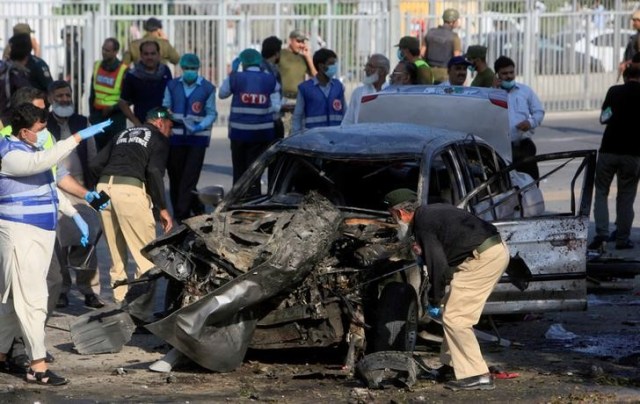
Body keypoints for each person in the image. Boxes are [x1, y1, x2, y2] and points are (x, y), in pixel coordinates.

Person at [0, 103, 109, 386]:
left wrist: (76, 216)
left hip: (41, 233)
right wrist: (76, 138)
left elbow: (50, 187)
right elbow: (42, 164)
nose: (44, 132)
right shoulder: (9, 154)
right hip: (21, 235)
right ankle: (37, 366)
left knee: (14, 302)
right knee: (33, 301)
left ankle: (0, 355)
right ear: (24, 132)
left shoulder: (31, 149)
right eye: (40, 129)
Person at [384, 189, 509, 391]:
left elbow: (438, 266)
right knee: (452, 309)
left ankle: (478, 374)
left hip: (484, 259)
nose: (394, 219)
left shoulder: (423, 224)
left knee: (456, 318)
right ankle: (452, 365)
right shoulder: (430, 212)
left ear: (400, 214)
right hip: (488, 252)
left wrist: (434, 298)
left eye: (392, 215)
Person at [89, 107, 174, 303]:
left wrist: (101, 193)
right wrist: (162, 208)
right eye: (170, 126)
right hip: (130, 190)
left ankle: (120, 303)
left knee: (116, 257)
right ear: (160, 123)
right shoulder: (159, 138)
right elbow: (153, 171)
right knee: (145, 256)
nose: (171, 131)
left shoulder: (123, 133)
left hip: (104, 188)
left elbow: (95, 164)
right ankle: (139, 311)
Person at [46, 80, 104, 309]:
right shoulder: (44, 124)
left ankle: (90, 289)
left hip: (81, 189)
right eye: (59, 96)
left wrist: (95, 188)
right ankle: (61, 290)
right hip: (55, 191)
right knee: (59, 245)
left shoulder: (82, 122)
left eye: (67, 95)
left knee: (87, 241)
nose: (64, 99)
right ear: (51, 98)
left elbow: (93, 156)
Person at [588, 66, 640, 251]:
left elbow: (604, 117)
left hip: (609, 150)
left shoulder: (614, 91)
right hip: (633, 154)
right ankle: (622, 239)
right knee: (626, 196)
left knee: (601, 192)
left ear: (625, 77)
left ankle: (601, 234)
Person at [162, 53, 217, 223]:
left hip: (197, 139)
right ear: (182, 69)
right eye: (187, 68)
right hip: (176, 138)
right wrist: (171, 118)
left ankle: (181, 214)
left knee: (189, 177)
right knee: (176, 177)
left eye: (193, 69)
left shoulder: (207, 88)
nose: (190, 71)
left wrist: (200, 126)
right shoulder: (172, 85)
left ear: (198, 69)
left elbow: (211, 113)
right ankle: (195, 207)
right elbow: (165, 107)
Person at [218, 49, 279, 190]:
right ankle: (254, 200)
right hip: (262, 134)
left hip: (239, 133)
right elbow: (276, 106)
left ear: (242, 62)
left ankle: (237, 202)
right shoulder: (269, 78)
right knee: (255, 172)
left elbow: (222, 94)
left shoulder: (236, 78)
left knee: (239, 170)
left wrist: (232, 73)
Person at [493, 56, 545, 181]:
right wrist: (493, 91)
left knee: (531, 183)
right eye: (504, 73)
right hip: (503, 149)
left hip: (524, 147)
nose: (509, 76)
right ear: (497, 75)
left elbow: (539, 111)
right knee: (507, 185)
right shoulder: (491, 93)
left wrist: (530, 122)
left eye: (511, 72)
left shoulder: (525, 91)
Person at [292, 48, 346, 134]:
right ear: (321, 66)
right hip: (313, 138)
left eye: (334, 63)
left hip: (336, 136)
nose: (334, 67)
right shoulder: (305, 88)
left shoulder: (338, 86)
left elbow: (345, 113)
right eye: (331, 64)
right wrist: (295, 136)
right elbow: (297, 116)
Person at [118, 41, 172, 127]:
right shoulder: (132, 76)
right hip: (143, 125)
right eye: (146, 54)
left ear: (158, 55)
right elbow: (122, 102)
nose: (149, 57)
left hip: (163, 125)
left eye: (153, 53)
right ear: (141, 55)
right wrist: (136, 122)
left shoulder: (165, 71)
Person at [89, 37, 128, 150]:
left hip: (116, 117)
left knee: (115, 150)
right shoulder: (97, 66)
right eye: (103, 49)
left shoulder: (124, 70)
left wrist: (112, 108)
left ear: (115, 52)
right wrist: (92, 114)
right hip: (98, 115)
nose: (104, 53)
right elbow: (92, 93)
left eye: (107, 50)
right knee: (97, 150)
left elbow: (128, 98)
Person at [278, 29, 317, 135]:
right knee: (284, 133)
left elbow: (316, 76)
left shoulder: (303, 58)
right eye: (298, 41)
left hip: (298, 101)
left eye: (303, 42)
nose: (301, 44)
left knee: (297, 133)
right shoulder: (281, 54)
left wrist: (308, 57)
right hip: (283, 101)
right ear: (291, 40)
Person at [341, 53, 389, 125]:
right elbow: (348, 120)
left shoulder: (392, 92)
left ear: (382, 71)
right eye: (366, 66)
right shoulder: (358, 92)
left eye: (371, 66)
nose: (366, 69)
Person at [423, 8, 463, 84]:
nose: (458, 22)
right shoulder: (454, 37)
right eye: (457, 20)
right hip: (445, 75)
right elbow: (457, 59)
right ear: (452, 21)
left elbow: (422, 53)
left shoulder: (430, 33)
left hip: (428, 74)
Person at [261, 35, 285, 139]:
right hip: (270, 118)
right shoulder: (268, 70)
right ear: (276, 53)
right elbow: (273, 94)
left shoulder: (265, 66)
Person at [618, 10, 640, 81]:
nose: (633, 23)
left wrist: (627, 63)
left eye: (635, 21)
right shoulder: (634, 37)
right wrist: (624, 62)